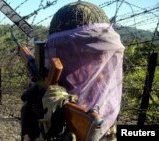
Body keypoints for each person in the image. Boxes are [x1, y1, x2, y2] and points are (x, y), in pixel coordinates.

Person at [21, 1, 125, 141]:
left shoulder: (101, 98)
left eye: (97, 59)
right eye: (78, 58)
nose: (96, 71)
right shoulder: (42, 100)